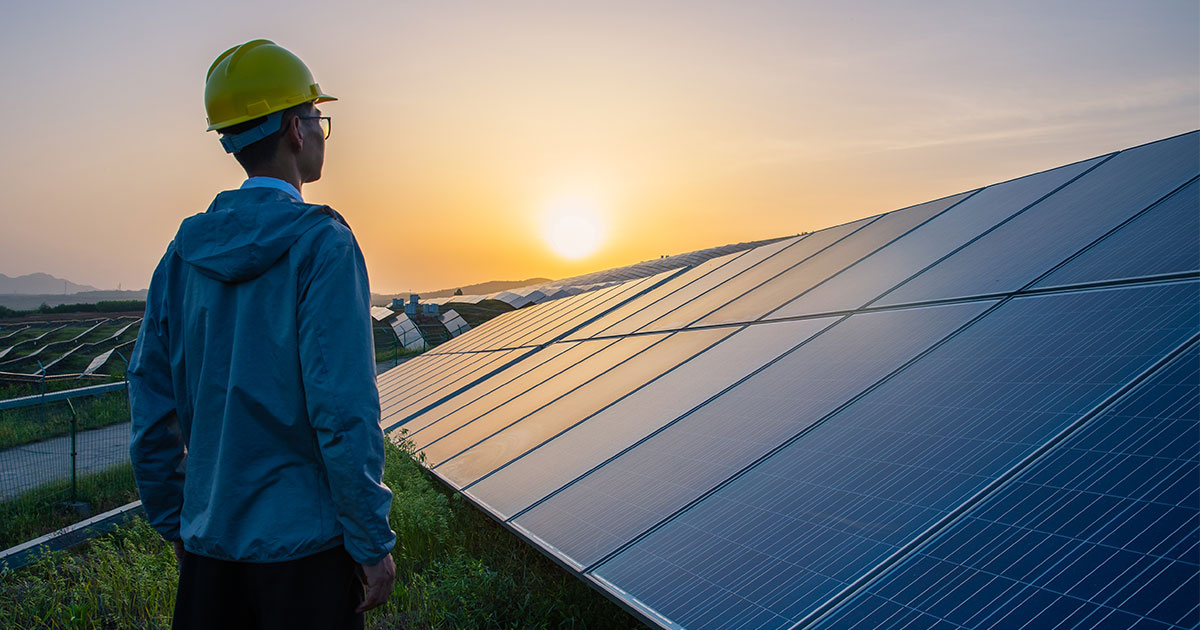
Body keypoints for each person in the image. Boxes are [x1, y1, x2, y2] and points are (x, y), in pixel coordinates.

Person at [128, 39, 396, 629]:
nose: (322, 131)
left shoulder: (182, 255)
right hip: (306, 558)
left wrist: (178, 522)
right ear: (297, 131)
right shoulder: (322, 244)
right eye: (318, 117)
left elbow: (150, 405)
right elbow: (342, 410)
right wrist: (371, 541)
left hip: (208, 553)